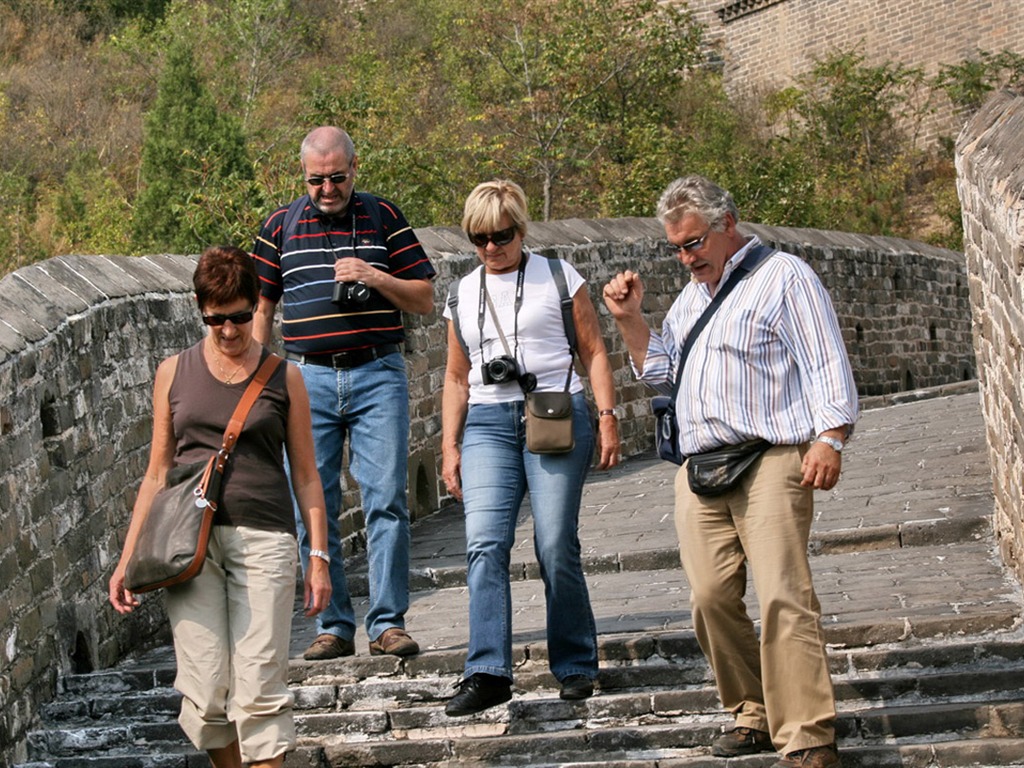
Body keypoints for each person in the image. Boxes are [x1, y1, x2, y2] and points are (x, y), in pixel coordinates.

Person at [602, 176, 858, 768]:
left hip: (770, 455)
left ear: (727, 225)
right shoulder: (692, 297)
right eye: (676, 248)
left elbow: (825, 360)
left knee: (782, 597)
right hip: (702, 465)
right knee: (710, 597)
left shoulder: (783, 276)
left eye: (693, 243)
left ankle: (807, 735)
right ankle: (753, 710)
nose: (686, 257)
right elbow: (663, 374)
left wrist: (830, 437)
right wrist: (630, 319)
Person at [109, 246, 332, 768]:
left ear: (256, 305)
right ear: (199, 308)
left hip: (265, 541)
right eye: (216, 319)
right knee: (207, 695)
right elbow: (157, 473)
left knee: (258, 691)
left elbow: (306, 475)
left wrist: (317, 557)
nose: (229, 330)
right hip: (190, 547)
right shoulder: (173, 372)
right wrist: (127, 559)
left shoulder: (285, 377)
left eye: (239, 316)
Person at [251, 126, 435, 660]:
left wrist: (376, 277)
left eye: (336, 177)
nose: (327, 188)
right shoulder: (279, 226)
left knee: (385, 500)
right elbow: (262, 309)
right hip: (307, 379)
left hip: (378, 372)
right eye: (316, 179)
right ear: (302, 176)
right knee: (314, 504)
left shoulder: (383, 216)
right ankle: (333, 626)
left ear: (355, 169)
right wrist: (262, 381)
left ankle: (388, 623)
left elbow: (423, 297)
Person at [440, 179, 621, 716]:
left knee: (554, 543)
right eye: (479, 238)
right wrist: (449, 445)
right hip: (488, 424)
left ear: (521, 229)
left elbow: (593, 352)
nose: (491, 247)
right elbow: (454, 377)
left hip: (554, 415)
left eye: (501, 235)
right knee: (483, 544)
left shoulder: (560, 278)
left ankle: (574, 663)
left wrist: (608, 417)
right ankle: (488, 670)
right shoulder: (462, 292)